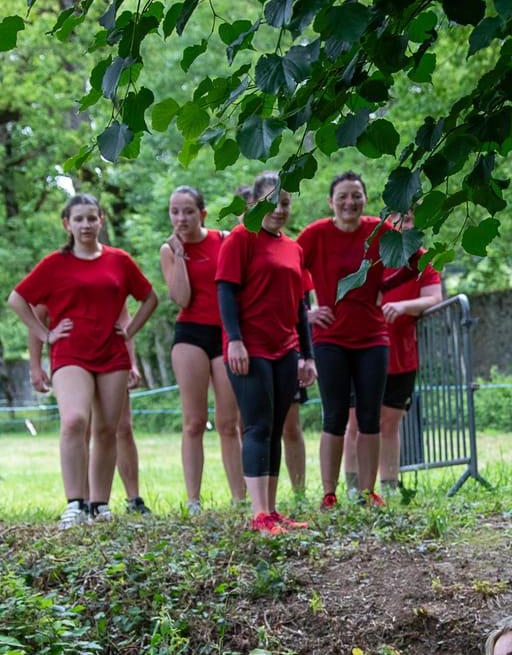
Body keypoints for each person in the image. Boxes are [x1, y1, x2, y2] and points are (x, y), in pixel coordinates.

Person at [8, 192, 158, 527]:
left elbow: (150, 298)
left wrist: (129, 331)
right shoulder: (54, 264)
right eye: (79, 219)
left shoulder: (120, 260)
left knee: (107, 428)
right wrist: (45, 334)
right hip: (70, 352)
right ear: (67, 224)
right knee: (75, 420)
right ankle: (75, 503)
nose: (86, 224)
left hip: (112, 353)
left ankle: (99, 505)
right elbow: (17, 299)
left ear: (101, 221)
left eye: (92, 218)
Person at [297, 172, 420, 509]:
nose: (349, 202)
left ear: (365, 199)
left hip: (372, 338)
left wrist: (385, 287)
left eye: (356, 195)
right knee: (335, 416)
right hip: (330, 338)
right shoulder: (315, 234)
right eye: (342, 197)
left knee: (369, 417)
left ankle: (368, 493)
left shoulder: (379, 231)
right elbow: (287, 271)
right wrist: (306, 312)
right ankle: (329, 494)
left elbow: (415, 257)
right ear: (331, 202)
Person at [216, 171, 316, 535]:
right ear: (254, 203)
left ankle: (272, 510)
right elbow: (226, 292)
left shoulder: (294, 248)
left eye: (285, 203)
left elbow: (301, 305)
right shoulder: (240, 239)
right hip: (249, 348)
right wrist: (235, 340)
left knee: (275, 427)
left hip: (285, 349)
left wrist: (308, 355)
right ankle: (258, 513)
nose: (279, 210)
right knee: (257, 425)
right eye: (271, 202)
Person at [344, 209, 442, 496]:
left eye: (409, 219)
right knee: (356, 421)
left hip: (401, 353)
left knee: (390, 423)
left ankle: (388, 486)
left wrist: (403, 306)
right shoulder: (370, 255)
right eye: (397, 219)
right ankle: (354, 488)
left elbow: (434, 297)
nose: (403, 225)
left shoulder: (422, 259)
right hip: (361, 349)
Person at [160, 185, 245, 514]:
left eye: (188, 211)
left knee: (228, 422)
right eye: (175, 212)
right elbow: (181, 298)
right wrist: (180, 254)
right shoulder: (168, 249)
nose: (181, 218)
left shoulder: (225, 240)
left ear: (202, 214)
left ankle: (239, 498)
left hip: (225, 334)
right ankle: (193, 500)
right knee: (194, 421)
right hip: (190, 334)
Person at [27, 309, 151, 514]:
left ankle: (134, 500)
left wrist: (132, 363)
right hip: (72, 360)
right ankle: (83, 502)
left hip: (110, 358)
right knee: (79, 426)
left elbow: (123, 318)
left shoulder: (111, 286)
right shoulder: (55, 286)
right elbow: (36, 316)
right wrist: (36, 365)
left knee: (122, 427)